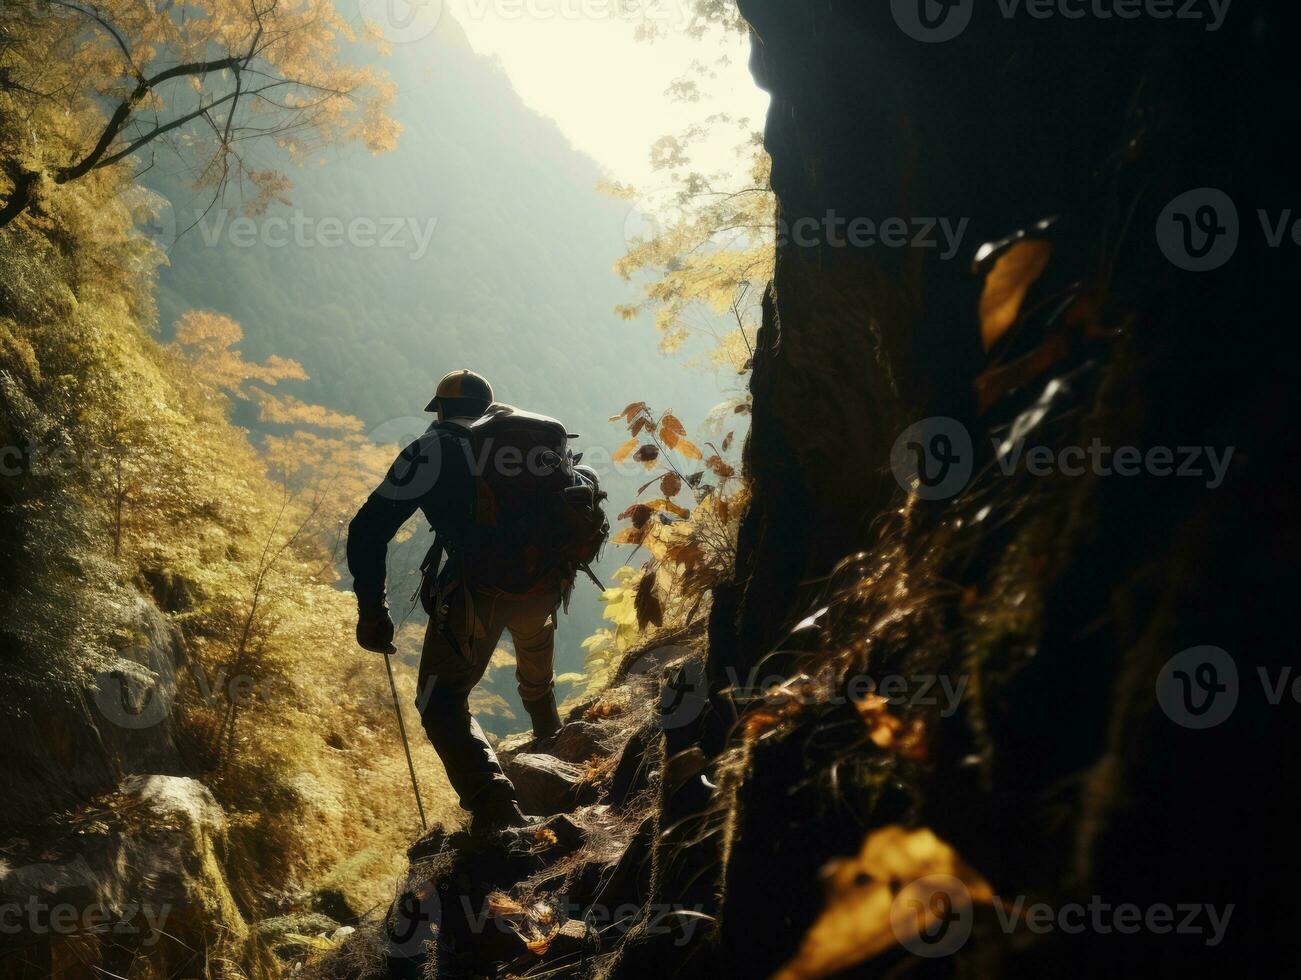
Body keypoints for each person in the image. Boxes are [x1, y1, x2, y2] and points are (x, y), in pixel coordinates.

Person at [346, 369, 605, 832]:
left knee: (440, 699)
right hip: (547, 586)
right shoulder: (528, 445)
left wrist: (373, 610)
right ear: (488, 409)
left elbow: (368, 530)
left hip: (479, 593)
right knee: (533, 655)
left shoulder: (432, 449)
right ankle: (551, 738)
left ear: (441, 410)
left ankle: (499, 812)